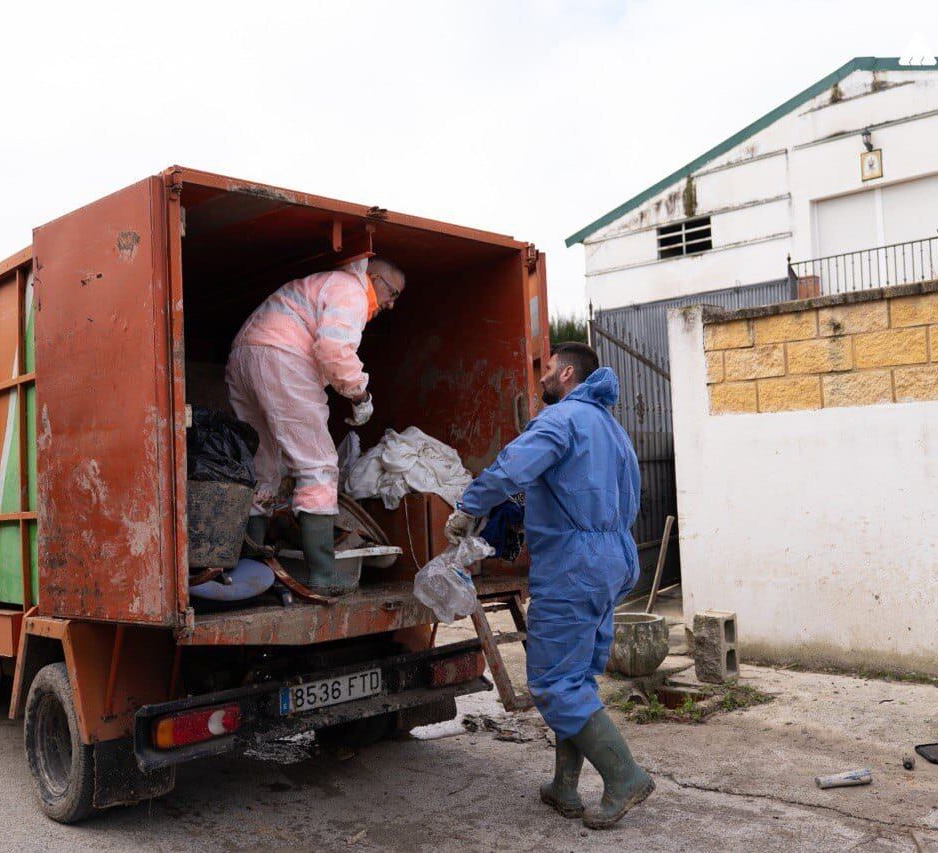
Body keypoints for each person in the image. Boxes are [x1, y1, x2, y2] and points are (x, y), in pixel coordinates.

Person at [445, 342, 653, 829]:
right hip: (611, 562)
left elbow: (511, 468)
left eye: (545, 370)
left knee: (556, 683)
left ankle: (625, 777)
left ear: (564, 372)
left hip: (573, 567)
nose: (539, 379)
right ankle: (564, 787)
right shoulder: (612, 429)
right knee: (575, 678)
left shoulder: (560, 421)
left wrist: (469, 505)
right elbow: (625, 498)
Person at [225, 257, 405, 594]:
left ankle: (251, 564)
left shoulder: (320, 284)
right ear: (375, 278)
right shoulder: (350, 289)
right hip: (281, 356)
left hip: (244, 357)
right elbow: (335, 350)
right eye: (392, 293)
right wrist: (360, 395)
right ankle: (323, 575)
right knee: (318, 467)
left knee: (262, 465)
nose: (391, 304)